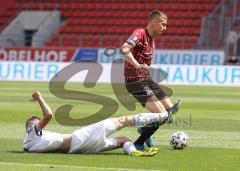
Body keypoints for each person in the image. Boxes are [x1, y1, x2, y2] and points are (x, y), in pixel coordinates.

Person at [23, 91, 178, 156]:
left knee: (123, 140)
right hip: (81, 138)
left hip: (80, 149)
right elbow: (49, 115)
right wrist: (39, 98)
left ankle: (134, 152)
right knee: (123, 120)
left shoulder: (28, 146)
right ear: (31, 125)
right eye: (37, 123)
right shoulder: (32, 132)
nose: (41, 125)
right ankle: (162, 115)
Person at [120, 10, 181, 150]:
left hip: (146, 80)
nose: (165, 28)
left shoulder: (152, 41)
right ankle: (139, 143)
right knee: (161, 115)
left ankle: (144, 129)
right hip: (135, 82)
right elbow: (124, 49)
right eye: (163, 25)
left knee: (170, 110)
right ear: (154, 22)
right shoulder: (140, 33)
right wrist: (136, 65)